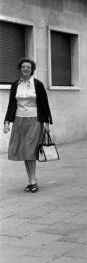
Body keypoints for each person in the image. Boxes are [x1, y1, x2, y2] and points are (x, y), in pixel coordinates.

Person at [3, 58, 53, 193]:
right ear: (20, 69)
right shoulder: (15, 85)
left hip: (35, 120)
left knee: (30, 150)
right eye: (23, 67)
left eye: (28, 67)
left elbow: (44, 104)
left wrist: (47, 122)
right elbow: (12, 105)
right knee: (25, 152)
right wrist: (7, 122)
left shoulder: (38, 84)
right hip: (19, 121)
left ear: (32, 70)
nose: (25, 69)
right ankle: (31, 181)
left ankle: (33, 180)